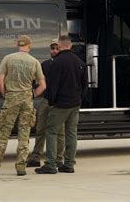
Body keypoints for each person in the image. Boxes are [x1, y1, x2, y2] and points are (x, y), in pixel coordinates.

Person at [0, 35, 46, 176]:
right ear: (29, 46)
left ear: (17, 45)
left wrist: (5, 94)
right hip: (27, 99)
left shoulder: (8, 58)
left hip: (11, 98)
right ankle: (21, 167)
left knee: (3, 133)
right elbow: (43, 85)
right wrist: (32, 95)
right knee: (24, 134)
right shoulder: (34, 62)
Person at [36, 35, 87, 174]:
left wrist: (52, 102)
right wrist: (79, 99)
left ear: (59, 45)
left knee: (51, 131)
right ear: (70, 45)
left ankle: (50, 164)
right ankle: (69, 164)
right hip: (75, 104)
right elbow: (84, 85)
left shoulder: (57, 62)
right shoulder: (80, 62)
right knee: (71, 133)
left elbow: (53, 86)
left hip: (60, 104)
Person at [26, 39, 65, 168]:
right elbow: (36, 80)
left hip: (59, 102)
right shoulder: (45, 65)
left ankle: (59, 158)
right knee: (40, 128)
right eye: (52, 48)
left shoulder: (64, 64)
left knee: (59, 131)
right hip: (46, 100)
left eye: (56, 48)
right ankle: (36, 156)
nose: (54, 50)